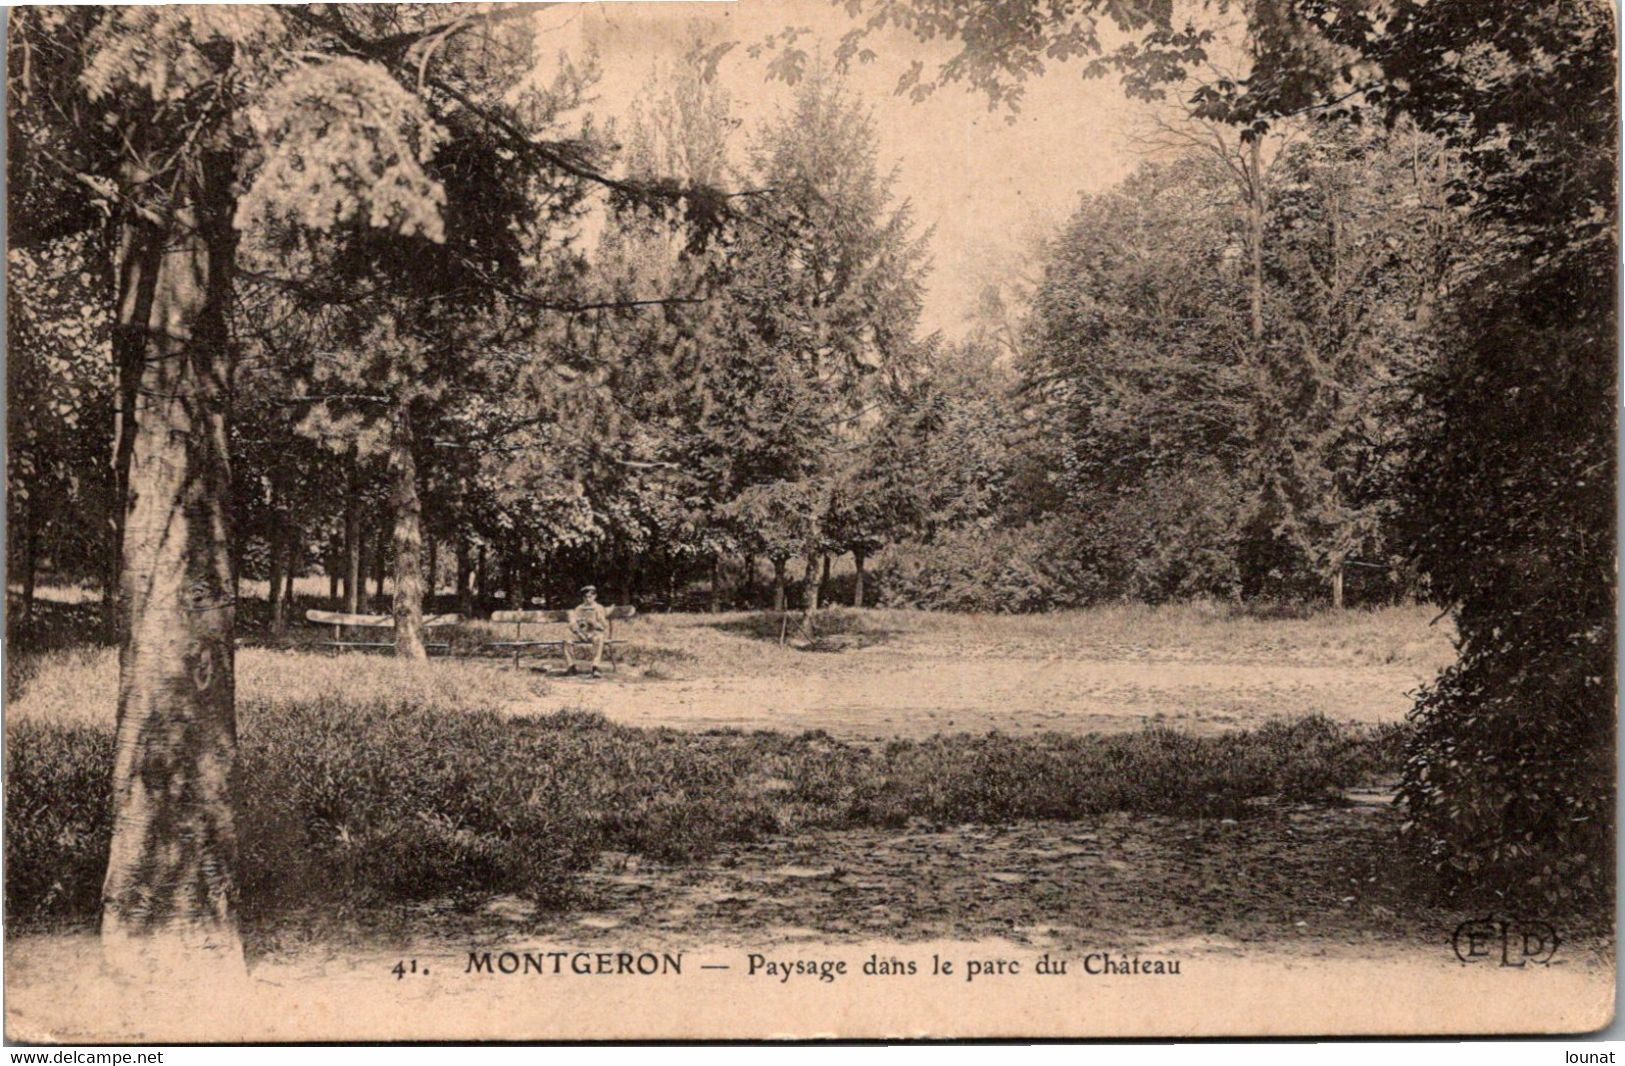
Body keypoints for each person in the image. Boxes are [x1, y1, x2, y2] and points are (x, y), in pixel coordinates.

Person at [563, 585, 609, 677]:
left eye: (590, 597)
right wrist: (578, 632)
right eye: (585, 597)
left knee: (599, 639)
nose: (588, 599)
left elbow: (604, 626)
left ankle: (595, 667)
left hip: (594, 633)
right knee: (567, 640)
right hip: (580, 633)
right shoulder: (579, 608)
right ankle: (571, 666)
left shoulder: (599, 608)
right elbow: (572, 623)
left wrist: (595, 623)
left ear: (595, 596)